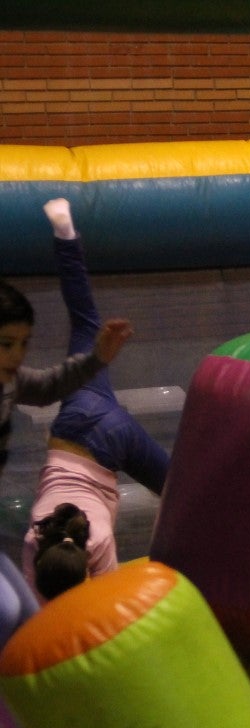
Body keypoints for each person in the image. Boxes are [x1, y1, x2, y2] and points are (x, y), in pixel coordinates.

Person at [20, 198, 171, 601]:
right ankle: (65, 233)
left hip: (109, 444)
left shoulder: (98, 540)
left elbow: (104, 612)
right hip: (79, 417)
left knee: (180, 495)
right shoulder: (34, 541)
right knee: (85, 321)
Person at [0, 224, 132, 485]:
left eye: (24, 343)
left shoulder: (11, 381)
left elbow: (48, 385)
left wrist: (97, 358)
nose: (18, 355)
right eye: (6, 344)